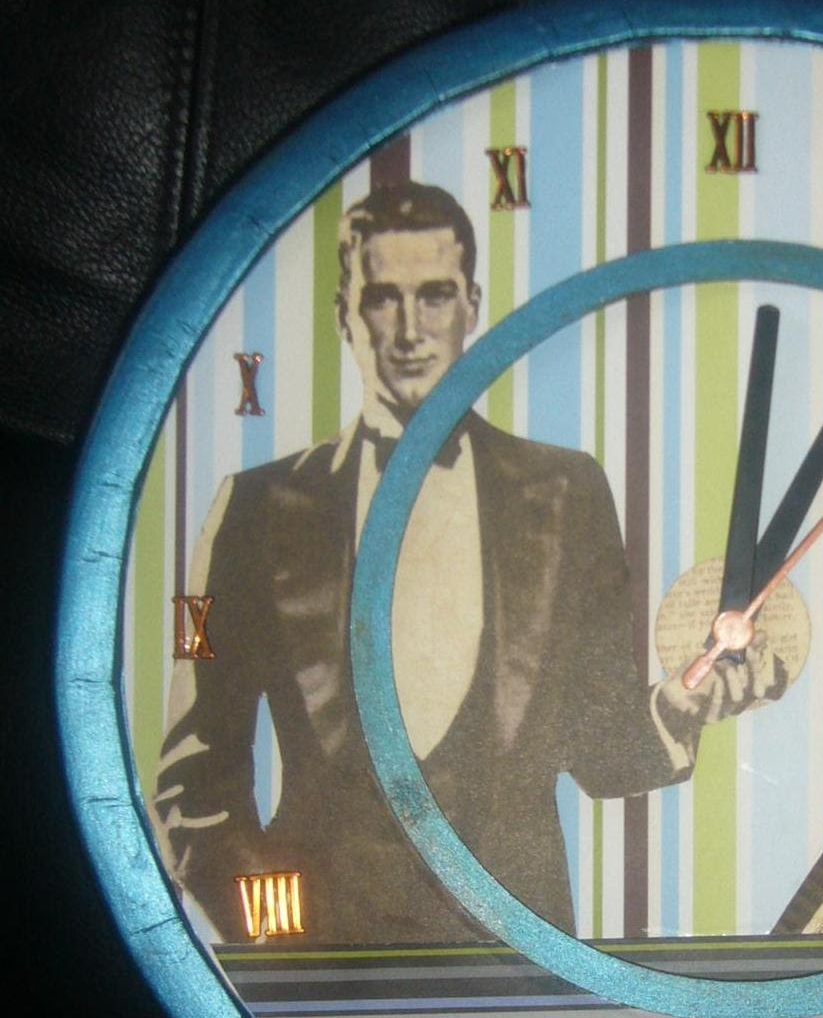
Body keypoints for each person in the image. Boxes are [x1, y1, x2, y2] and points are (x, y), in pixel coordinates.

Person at [152, 182, 778, 946]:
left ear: (472, 305)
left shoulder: (568, 493)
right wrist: (284, 948)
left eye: (435, 296)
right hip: (320, 966)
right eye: (382, 299)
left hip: (520, 965)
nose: (409, 329)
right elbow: (194, 780)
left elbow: (600, 752)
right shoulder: (252, 508)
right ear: (344, 314)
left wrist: (686, 698)